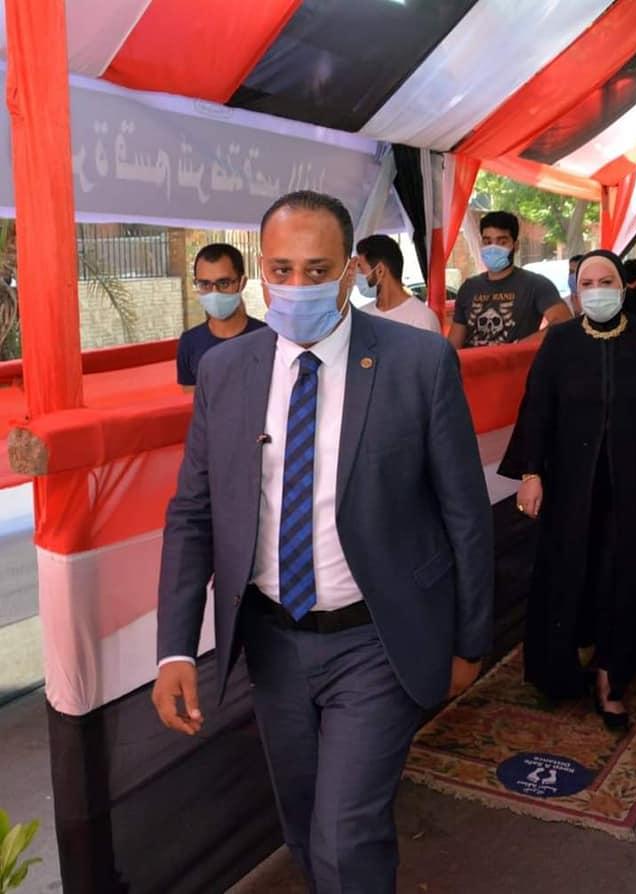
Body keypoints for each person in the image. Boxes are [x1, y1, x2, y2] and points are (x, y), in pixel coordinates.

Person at [152, 191, 494, 893]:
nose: (298, 286)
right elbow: (193, 512)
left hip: (376, 640)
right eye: (282, 269)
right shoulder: (225, 371)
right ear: (262, 271)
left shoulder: (419, 362)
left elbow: (465, 512)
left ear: (350, 271)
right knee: (305, 824)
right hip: (273, 643)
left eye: (317, 270)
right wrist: (175, 647)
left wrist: (470, 640)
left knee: (346, 833)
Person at [500, 250, 636, 729]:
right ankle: (562, 670)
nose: (597, 291)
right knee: (570, 574)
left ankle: (613, 677)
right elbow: (538, 409)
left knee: (623, 577)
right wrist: (530, 473)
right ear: (575, 291)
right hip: (571, 489)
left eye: (606, 281)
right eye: (587, 283)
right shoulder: (560, 341)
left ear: (624, 287)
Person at [448, 211, 571, 348]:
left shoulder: (535, 285)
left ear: (516, 246)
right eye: (487, 242)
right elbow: (454, 344)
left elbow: (564, 322)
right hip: (471, 362)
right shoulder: (469, 287)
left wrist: (519, 347)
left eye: (502, 242)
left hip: (516, 362)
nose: (493, 248)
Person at [176, 243, 265, 388]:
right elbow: (190, 396)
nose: (214, 292)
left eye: (224, 283)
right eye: (205, 284)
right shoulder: (189, 342)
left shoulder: (269, 339)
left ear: (242, 283)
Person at [355, 234, 441, 333]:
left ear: (380, 271)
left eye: (361, 269)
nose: (357, 276)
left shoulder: (423, 320)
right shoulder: (361, 317)